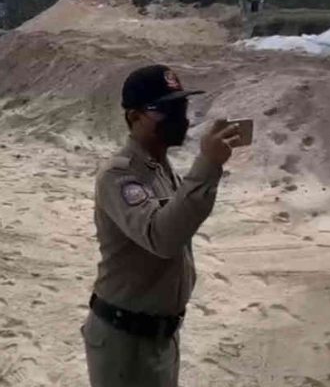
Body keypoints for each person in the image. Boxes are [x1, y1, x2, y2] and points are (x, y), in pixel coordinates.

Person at [82, 64, 241, 387]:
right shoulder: (120, 175)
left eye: (180, 107)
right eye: (165, 109)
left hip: (161, 336)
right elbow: (162, 237)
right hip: (125, 342)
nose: (178, 117)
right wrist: (208, 165)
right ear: (134, 117)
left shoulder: (160, 168)